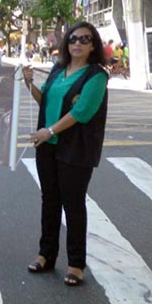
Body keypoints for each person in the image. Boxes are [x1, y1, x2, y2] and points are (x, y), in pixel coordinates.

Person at [22, 22, 108, 287]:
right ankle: (46, 254)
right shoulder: (58, 70)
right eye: (73, 39)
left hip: (75, 148)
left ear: (93, 45)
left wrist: (49, 131)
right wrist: (29, 84)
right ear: (66, 44)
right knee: (49, 200)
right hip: (48, 145)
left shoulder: (96, 76)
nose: (77, 44)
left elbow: (82, 111)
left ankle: (75, 263)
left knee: (73, 204)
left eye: (84, 39)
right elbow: (46, 101)